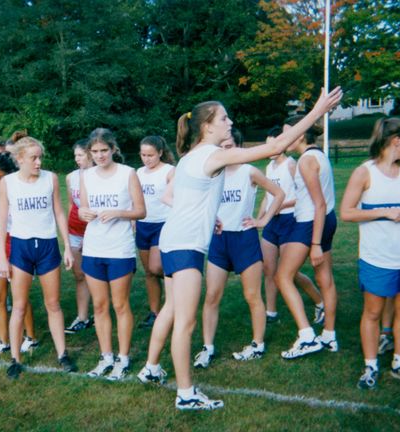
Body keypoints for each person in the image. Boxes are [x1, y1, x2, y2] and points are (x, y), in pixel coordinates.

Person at [136, 87, 342, 411]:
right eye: (224, 118)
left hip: (175, 240)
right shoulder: (212, 155)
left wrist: (210, 216)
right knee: (186, 321)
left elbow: (186, 198)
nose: (229, 122)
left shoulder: (191, 156)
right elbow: (277, 145)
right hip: (186, 246)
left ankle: (151, 368)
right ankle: (186, 394)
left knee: (173, 310)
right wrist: (317, 111)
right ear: (207, 126)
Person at [340, 117, 400, 389]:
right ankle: (370, 366)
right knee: (373, 312)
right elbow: (346, 212)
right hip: (377, 257)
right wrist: (383, 212)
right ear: (395, 140)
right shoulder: (364, 172)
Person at [194, 128, 283, 367]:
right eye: (221, 147)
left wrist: (262, 220)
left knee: (252, 295)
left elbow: (279, 193)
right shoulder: (211, 174)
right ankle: (207, 347)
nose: (225, 151)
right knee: (212, 295)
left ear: (238, 148)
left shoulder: (249, 171)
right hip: (219, 241)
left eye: (229, 147)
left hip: (244, 239)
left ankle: (257, 344)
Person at [0, 135, 77, 378]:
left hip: (47, 246)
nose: (38, 162)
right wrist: (2, 255)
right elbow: (1, 221)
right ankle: (15, 359)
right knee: (19, 305)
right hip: (21, 248)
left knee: (53, 303)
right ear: (20, 159)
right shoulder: (8, 183)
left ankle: (62, 354)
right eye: (33, 158)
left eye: (40, 157)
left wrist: (67, 246)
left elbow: (59, 213)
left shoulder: (50, 179)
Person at [78, 128, 146, 380]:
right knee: (99, 304)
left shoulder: (128, 174)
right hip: (93, 246)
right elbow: (83, 207)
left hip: (119, 248)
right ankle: (106, 356)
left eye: (104, 150)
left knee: (120, 304)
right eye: (94, 152)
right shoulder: (87, 176)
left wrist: (118, 212)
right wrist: (84, 212)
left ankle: (123, 358)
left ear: (113, 149)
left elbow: (141, 211)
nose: (99, 155)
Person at [274, 114, 339, 359]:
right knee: (325, 280)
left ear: (300, 134)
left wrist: (314, 245)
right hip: (325, 221)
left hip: (312, 223)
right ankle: (329, 335)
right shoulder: (318, 155)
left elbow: (318, 204)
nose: (283, 138)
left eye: (286, 132)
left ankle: (307, 336)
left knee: (282, 276)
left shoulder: (305, 161)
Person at [258, 126, 325, 324]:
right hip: (272, 222)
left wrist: (280, 205)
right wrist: (260, 218)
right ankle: (271, 312)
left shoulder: (291, 164)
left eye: (274, 144)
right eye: (267, 144)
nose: (270, 148)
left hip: (289, 220)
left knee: (290, 273)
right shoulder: (269, 168)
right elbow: (267, 197)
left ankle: (320, 302)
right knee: (269, 269)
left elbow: (301, 197)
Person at [0, 153, 39, 358]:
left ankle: (31, 337)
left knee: (19, 298)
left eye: (0, 177)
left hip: (16, 248)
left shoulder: (18, 191)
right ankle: (3, 341)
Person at [135, 136, 175, 329]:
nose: (147, 159)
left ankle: (174, 298)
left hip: (163, 224)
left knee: (157, 267)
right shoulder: (138, 173)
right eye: (143, 155)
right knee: (149, 273)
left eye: (150, 155)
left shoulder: (169, 171)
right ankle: (155, 313)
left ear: (160, 152)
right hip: (143, 225)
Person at [64, 139, 95, 334]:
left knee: (98, 274)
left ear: (90, 155)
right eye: (75, 155)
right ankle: (83, 317)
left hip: (96, 229)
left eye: (81, 155)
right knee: (79, 274)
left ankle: (102, 312)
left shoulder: (100, 176)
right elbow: (71, 204)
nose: (77, 159)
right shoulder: (70, 177)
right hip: (75, 229)